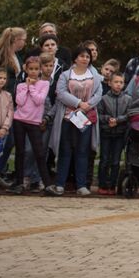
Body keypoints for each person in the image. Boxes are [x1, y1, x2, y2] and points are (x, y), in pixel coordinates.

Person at [48, 44, 102, 196]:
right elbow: (60, 92)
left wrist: (86, 106)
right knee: (65, 150)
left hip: (85, 118)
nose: (85, 59)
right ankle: (60, 184)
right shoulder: (66, 75)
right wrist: (78, 103)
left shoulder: (94, 76)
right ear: (75, 59)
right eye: (82, 56)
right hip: (67, 117)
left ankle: (81, 185)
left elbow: (98, 93)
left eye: (87, 56)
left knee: (82, 151)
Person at [9, 55, 50, 194]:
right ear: (26, 69)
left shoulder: (44, 84)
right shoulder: (21, 85)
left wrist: (32, 87)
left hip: (34, 122)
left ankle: (47, 183)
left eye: (36, 69)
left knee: (39, 152)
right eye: (30, 69)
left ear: (40, 70)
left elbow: (39, 100)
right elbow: (19, 102)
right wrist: (26, 86)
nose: (33, 71)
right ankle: (19, 183)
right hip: (19, 120)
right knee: (20, 152)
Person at [96, 71, 131, 195]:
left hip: (120, 134)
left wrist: (118, 120)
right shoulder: (104, 99)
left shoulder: (127, 99)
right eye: (116, 82)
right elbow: (98, 115)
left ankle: (112, 185)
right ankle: (102, 184)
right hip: (106, 133)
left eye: (121, 82)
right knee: (104, 159)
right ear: (110, 83)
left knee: (116, 161)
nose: (118, 85)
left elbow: (129, 115)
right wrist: (108, 119)